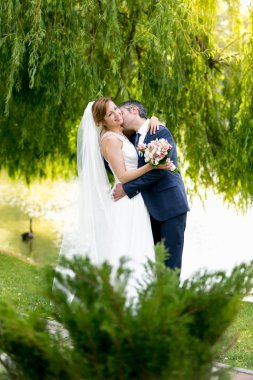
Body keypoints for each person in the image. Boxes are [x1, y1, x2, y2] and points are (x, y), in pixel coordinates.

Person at [56, 97, 173, 300]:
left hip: (135, 201)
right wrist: (153, 165)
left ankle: (137, 301)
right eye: (110, 113)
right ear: (102, 121)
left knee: (136, 250)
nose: (117, 113)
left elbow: (143, 125)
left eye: (116, 109)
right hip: (126, 203)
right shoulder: (109, 139)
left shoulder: (121, 134)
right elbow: (124, 175)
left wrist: (153, 118)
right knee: (125, 250)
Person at [113, 100, 190, 273]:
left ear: (134, 110)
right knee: (152, 262)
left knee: (170, 263)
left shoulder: (160, 132)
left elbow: (159, 171)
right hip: (146, 209)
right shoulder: (131, 138)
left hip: (170, 206)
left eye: (121, 113)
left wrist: (127, 189)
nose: (118, 117)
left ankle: (170, 300)